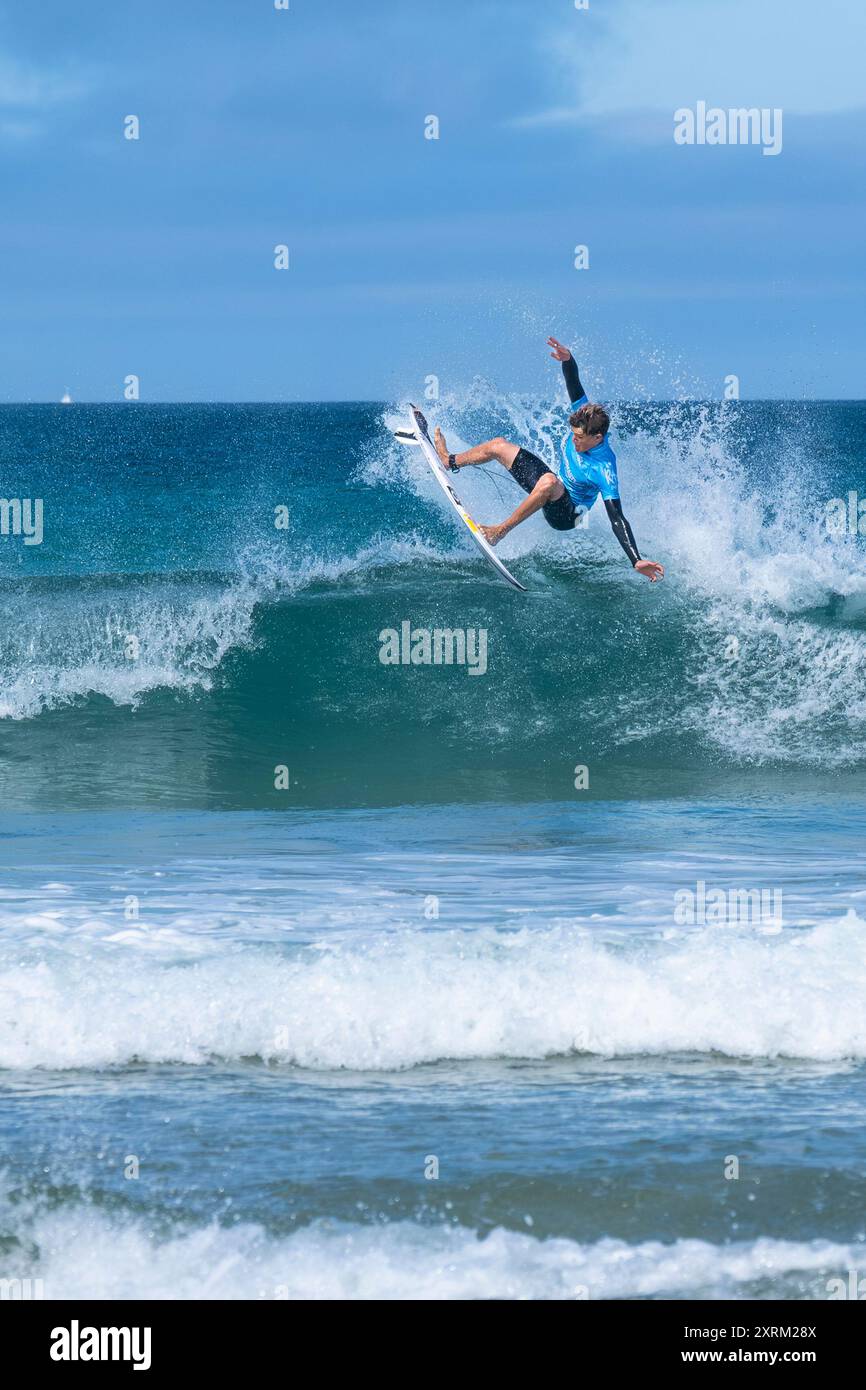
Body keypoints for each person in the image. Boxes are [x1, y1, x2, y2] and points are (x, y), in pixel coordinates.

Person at [433, 337, 664, 582]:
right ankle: (451, 461)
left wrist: (635, 559)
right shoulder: (586, 415)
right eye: (572, 435)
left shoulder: (605, 468)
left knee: (548, 482)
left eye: (579, 438)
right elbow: (575, 385)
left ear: (597, 438)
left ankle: (498, 533)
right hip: (554, 488)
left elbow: (617, 517)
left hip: (568, 515)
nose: (574, 441)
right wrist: (568, 360)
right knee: (498, 446)